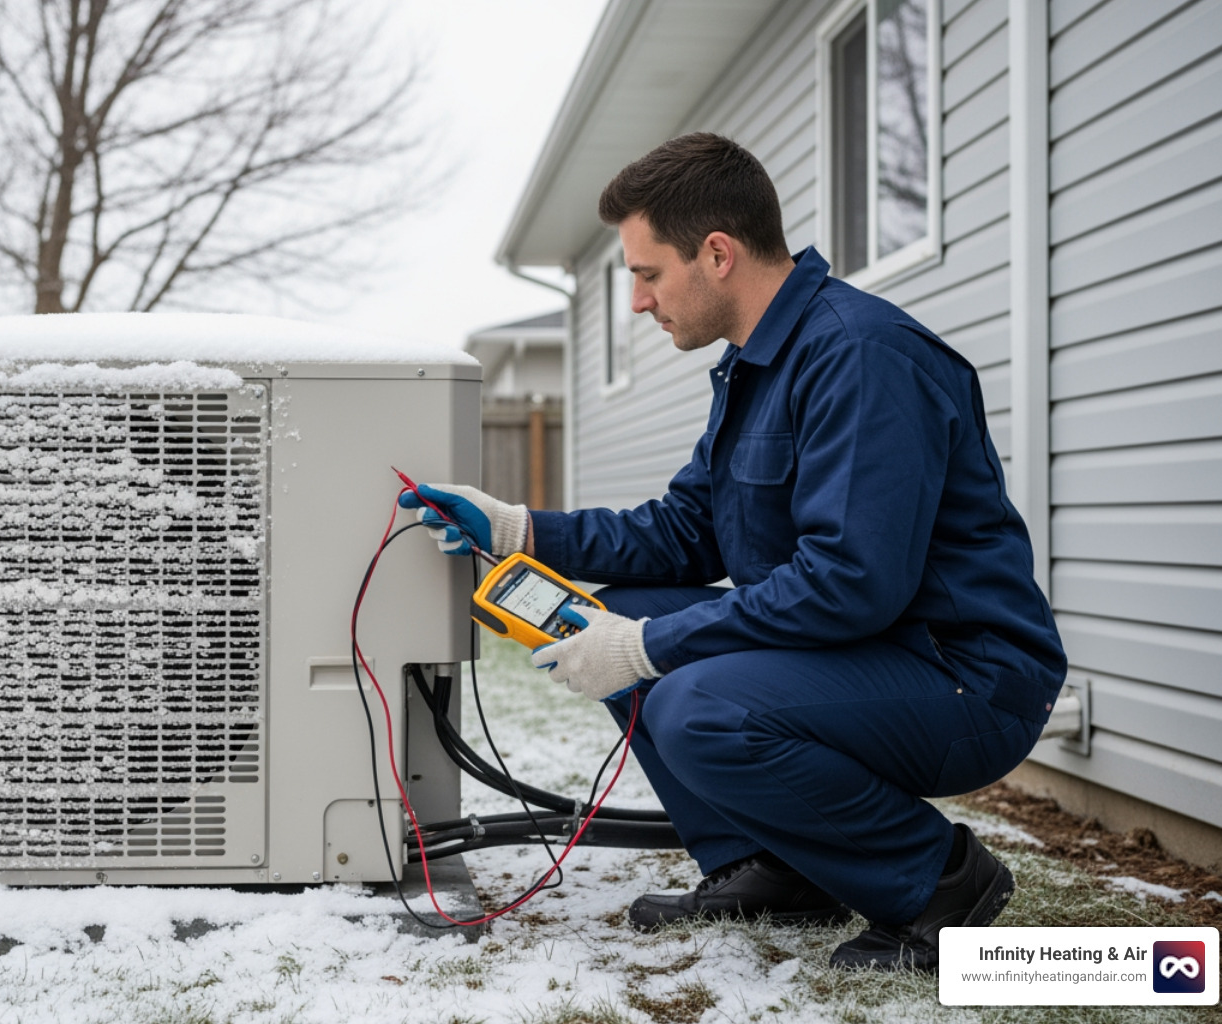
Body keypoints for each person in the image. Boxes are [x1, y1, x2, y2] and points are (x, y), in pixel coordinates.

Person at [401, 132, 1067, 971]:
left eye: (647, 274)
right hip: (869, 650)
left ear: (716, 254)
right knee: (620, 616)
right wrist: (515, 529)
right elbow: (685, 530)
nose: (639, 302)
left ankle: (938, 882)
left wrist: (646, 649)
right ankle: (776, 869)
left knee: (691, 697)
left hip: (962, 676)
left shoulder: (862, 358)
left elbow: (850, 583)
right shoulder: (757, 368)